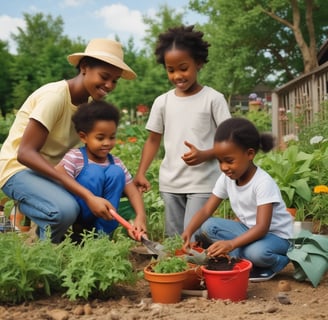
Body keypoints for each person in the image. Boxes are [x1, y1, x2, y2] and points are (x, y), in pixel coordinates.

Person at [0, 38, 138, 243]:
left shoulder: (89, 104)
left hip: (52, 172)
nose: (109, 85)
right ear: (84, 67)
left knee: (99, 181)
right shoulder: (55, 96)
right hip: (18, 169)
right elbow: (25, 153)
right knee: (65, 210)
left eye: (115, 80)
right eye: (104, 76)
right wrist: (88, 195)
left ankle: (79, 239)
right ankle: (40, 246)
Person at [134, 25, 231, 240]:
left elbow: (229, 141)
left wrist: (205, 154)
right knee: (174, 240)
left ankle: (199, 269)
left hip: (203, 183)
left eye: (183, 68)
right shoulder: (162, 102)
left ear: (198, 63)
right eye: (171, 70)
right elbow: (152, 140)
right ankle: (180, 273)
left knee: (192, 236)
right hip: (171, 183)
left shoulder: (213, 99)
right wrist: (141, 172)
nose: (177, 75)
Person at [182, 117, 293, 282]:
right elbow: (206, 210)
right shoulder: (227, 178)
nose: (224, 167)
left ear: (249, 154)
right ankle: (244, 257)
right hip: (249, 230)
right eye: (220, 161)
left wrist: (231, 244)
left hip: (276, 237)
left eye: (229, 161)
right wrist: (189, 231)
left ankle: (277, 262)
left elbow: (262, 227)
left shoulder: (262, 182)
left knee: (256, 253)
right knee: (208, 226)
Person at [55, 100, 147, 239]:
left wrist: (140, 217)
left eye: (112, 137)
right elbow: (59, 175)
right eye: (100, 138)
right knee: (94, 171)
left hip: (105, 218)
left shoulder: (116, 162)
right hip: (79, 216)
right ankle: (79, 233)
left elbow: (133, 193)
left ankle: (102, 237)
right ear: (84, 137)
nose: (107, 143)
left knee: (116, 172)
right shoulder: (74, 156)